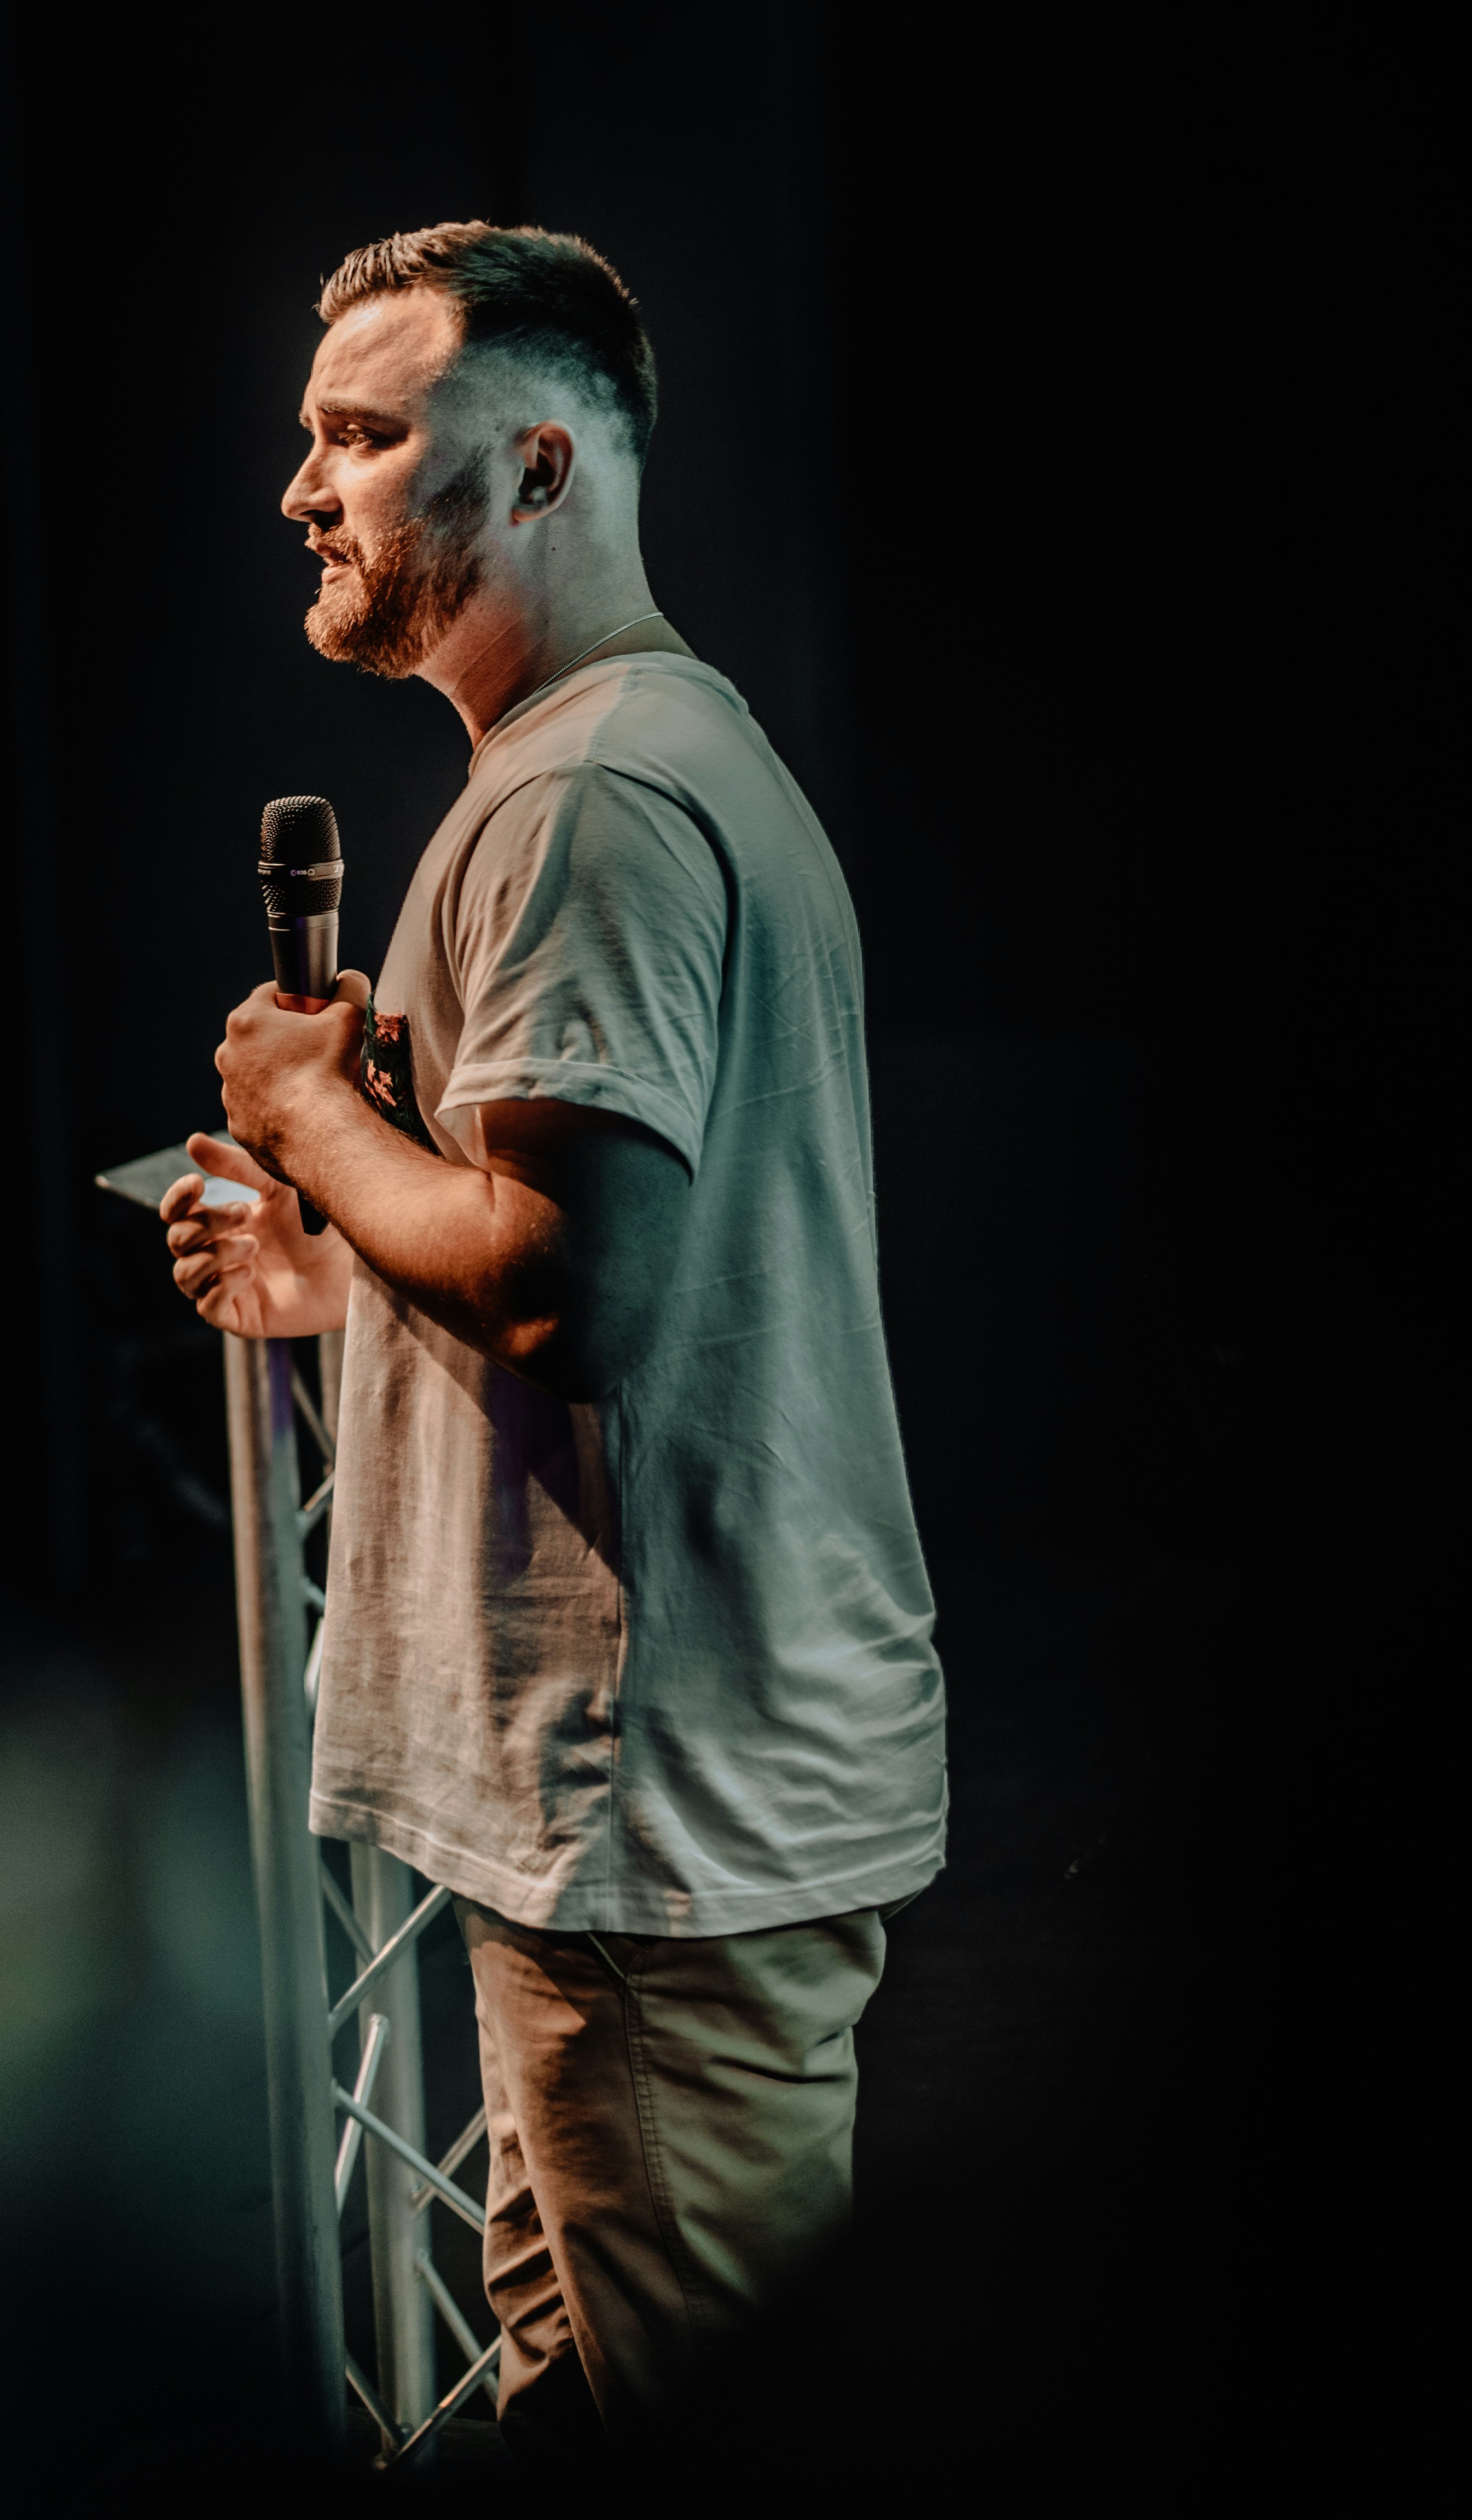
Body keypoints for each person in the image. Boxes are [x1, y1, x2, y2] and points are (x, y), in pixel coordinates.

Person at [162, 221, 946, 2484]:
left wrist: (309, 1114)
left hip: (651, 1826)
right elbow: (631, 1270)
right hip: (640, 1830)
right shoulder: (640, 756)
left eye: (359, 434)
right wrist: (339, 1279)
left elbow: (568, 1294)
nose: (302, 488)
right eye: (308, 435)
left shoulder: (587, 797)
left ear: (533, 469)